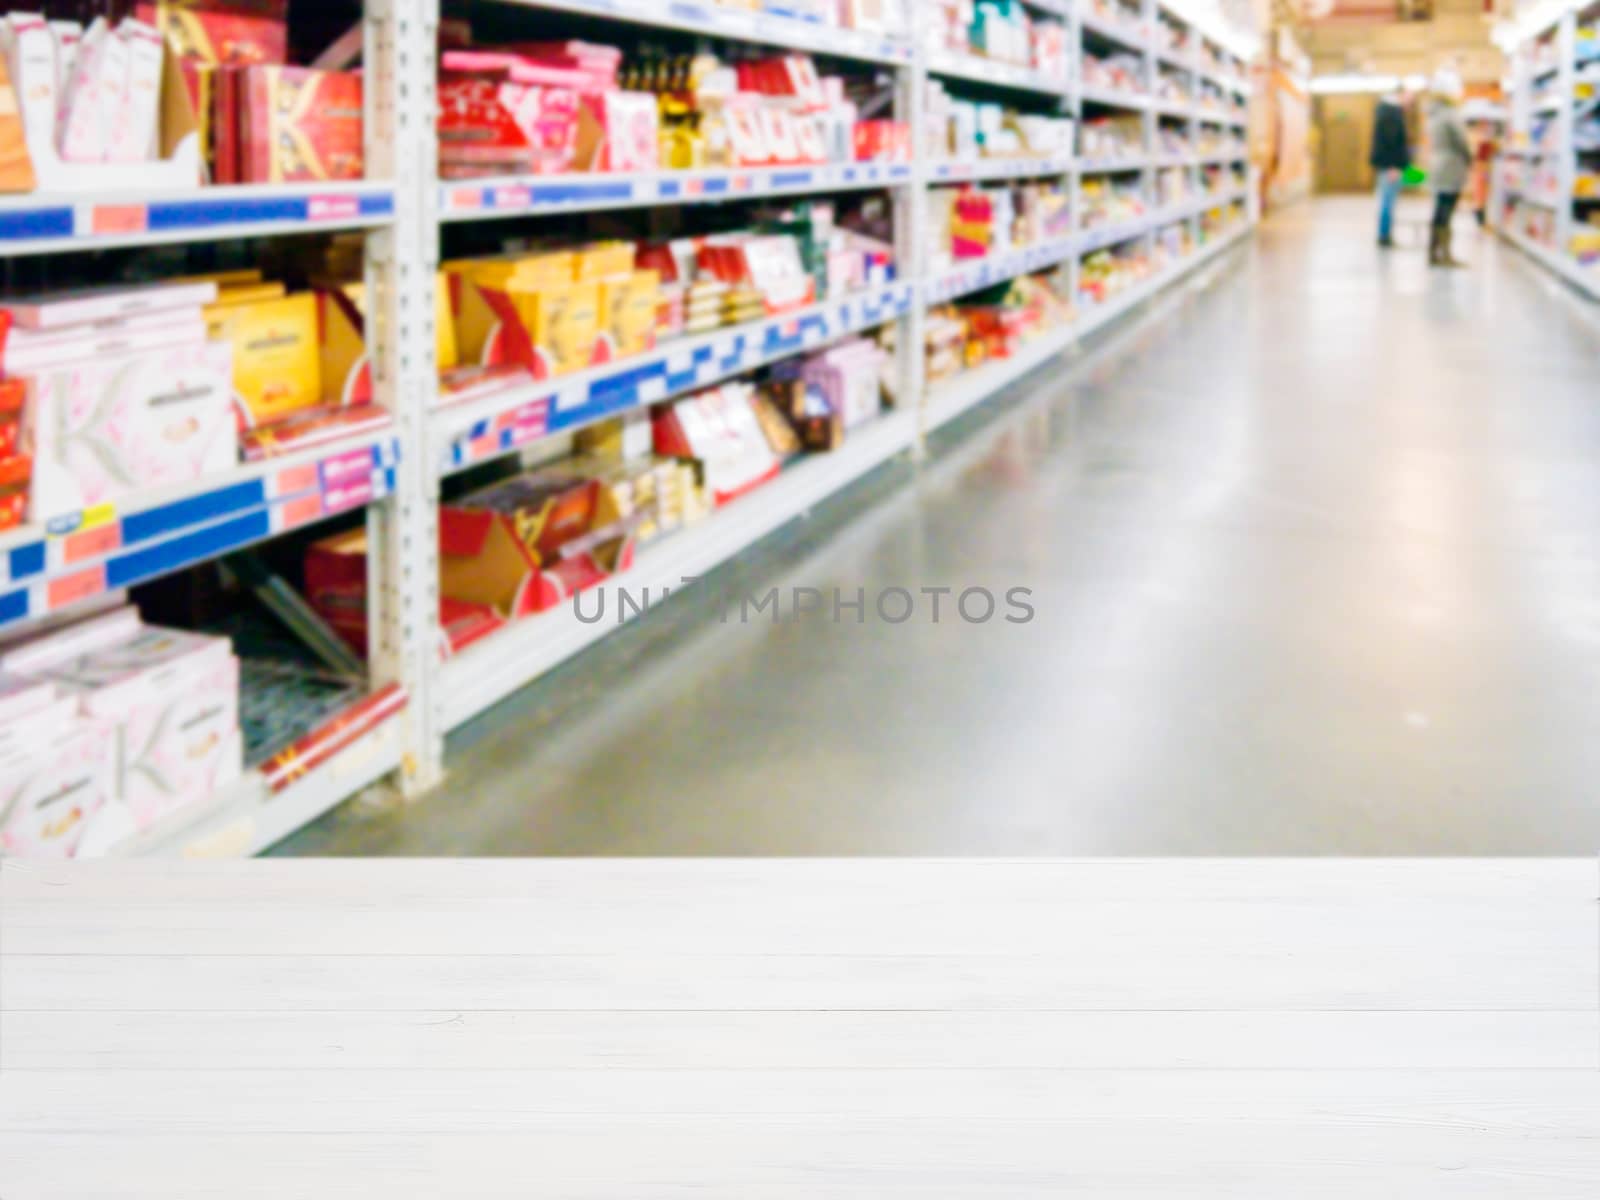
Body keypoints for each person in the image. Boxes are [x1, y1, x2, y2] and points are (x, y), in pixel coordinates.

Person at [1426, 69, 1473, 268]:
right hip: (1451, 165)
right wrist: (1470, 157)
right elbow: (1461, 141)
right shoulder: (1451, 114)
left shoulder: (1433, 113)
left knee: (1439, 209)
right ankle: (1445, 254)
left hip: (1437, 163)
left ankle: (1433, 252)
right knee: (1447, 210)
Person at [1369, 89, 1409, 247]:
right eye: (1408, 97)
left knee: (1387, 200)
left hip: (1387, 165)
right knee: (1388, 201)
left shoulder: (1386, 111)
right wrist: (1394, 165)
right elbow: (1391, 142)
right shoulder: (1391, 114)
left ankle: (1385, 234)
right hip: (1390, 167)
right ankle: (1384, 236)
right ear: (1400, 95)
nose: (1410, 102)